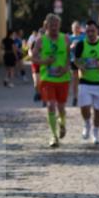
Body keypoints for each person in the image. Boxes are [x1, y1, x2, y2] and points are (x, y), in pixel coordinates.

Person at [31, 13, 71, 147]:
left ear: (59, 25)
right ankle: (54, 136)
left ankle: (62, 123)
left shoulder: (65, 38)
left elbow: (69, 57)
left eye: (56, 25)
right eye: (51, 25)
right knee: (51, 105)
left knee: (61, 108)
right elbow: (33, 58)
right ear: (46, 25)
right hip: (47, 78)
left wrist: (66, 67)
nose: (54, 27)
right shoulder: (40, 41)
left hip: (63, 78)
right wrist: (44, 61)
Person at [73, 18, 99, 145]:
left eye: (92, 31)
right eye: (88, 31)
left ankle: (96, 132)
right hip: (85, 81)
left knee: (98, 110)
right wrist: (80, 66)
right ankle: (87, 124)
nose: (90, 33)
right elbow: (75, 60)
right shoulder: (81, 45)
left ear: (97, 31)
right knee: (84, 106)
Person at [69, 21, 84, 107]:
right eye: (75, 27)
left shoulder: (83, 37)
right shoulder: (69, 38)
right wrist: (71, 46)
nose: (76, 29)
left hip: (82, 60)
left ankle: (82, 96)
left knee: (81, 78)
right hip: (73, 60)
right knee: (74, 79)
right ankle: (75, 97)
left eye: (78, 27)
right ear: (72, 29)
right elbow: (67, 49)